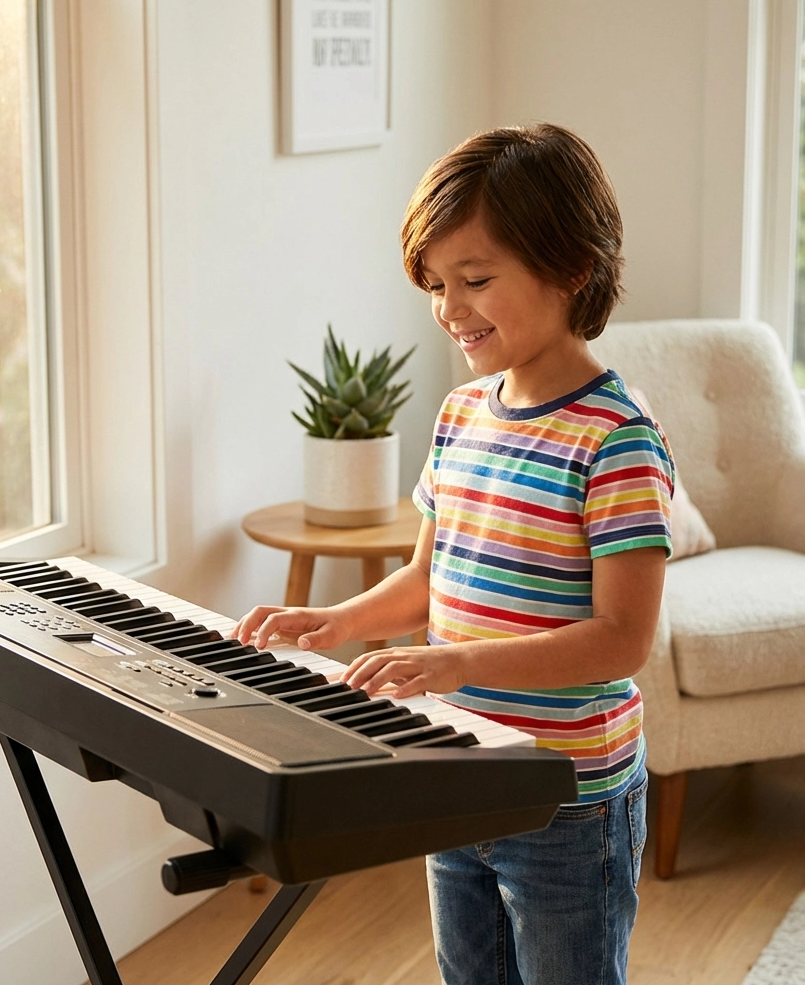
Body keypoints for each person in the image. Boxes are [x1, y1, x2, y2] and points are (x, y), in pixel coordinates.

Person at [233, 124, 674, 985]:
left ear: (571, 267)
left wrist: (456, 661)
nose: (449, 307)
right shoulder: (461, 415)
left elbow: (623, 640)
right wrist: (335, 621)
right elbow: (428, 579)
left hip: (567, 798)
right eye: (436, 284)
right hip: (459, 769)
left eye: (475, 279)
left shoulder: (617, 441)